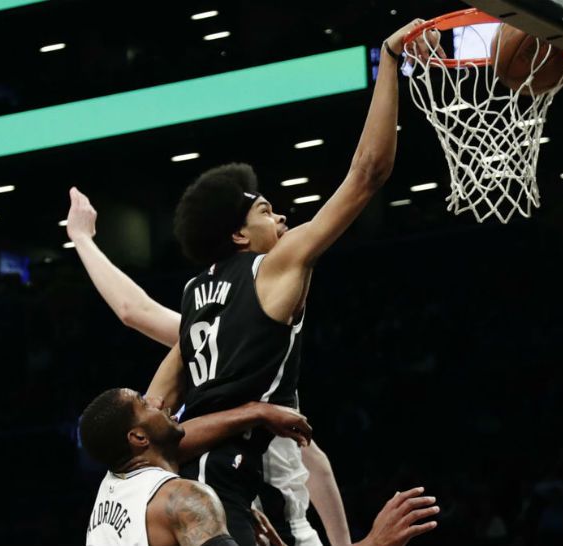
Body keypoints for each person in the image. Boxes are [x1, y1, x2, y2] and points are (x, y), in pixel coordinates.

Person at [72, 18, 442, 546]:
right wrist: (388, 60)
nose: (282, 218)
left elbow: (135, 320)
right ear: (241, 237)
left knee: (301, 446)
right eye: (268, 210)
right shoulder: (272, 268)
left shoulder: (197, 301)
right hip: (230, 488)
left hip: (223, 480)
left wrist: (84, 241)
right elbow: (367, 175)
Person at [80, 388, 439, 546]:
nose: (159, 398)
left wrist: (257, 411)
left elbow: (181, 440)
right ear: (139, 439)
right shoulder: (184, 500)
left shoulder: (110, 488)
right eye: (146, 403)